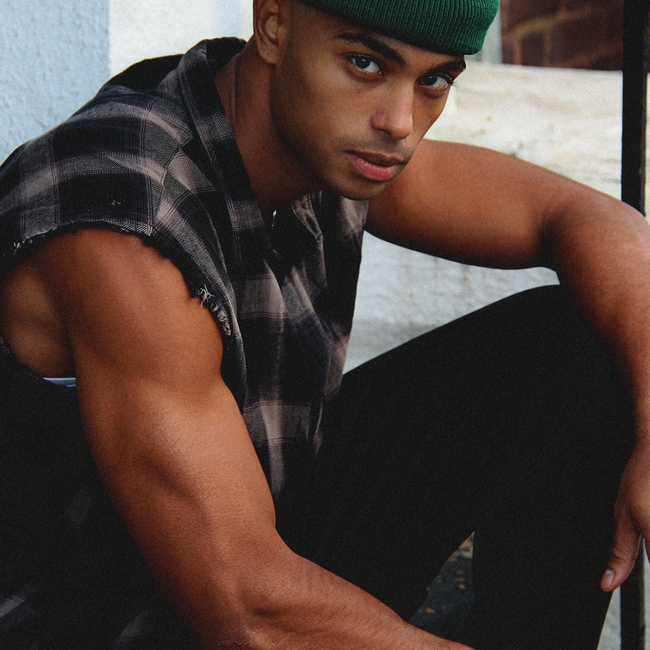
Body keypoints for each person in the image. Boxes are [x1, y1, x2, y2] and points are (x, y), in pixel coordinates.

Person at [0, 0, 648, 648]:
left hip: (262, 536)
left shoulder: (316, 134)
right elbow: (245, 607)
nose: (399, 122)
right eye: (365, 63)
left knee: (590, 345)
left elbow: (579, 217)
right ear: (273, 24)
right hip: (114, 620)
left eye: (433, 79)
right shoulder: (127, 225)